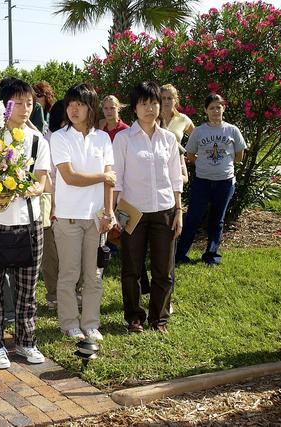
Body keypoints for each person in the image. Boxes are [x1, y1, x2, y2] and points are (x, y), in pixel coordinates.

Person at [0, 78, 50, 369]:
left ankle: (26, 342)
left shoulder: (38, 142)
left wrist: (25, 188)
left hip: (30, 224)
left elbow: (42, 181)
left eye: (29, 103)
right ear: (5, 106)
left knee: (27, 290)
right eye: (18, 102)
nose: (24, 108)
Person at [112, 82, 183, 334]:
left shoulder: (168, 139)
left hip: (164, 209)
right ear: (134, 108)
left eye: (153, 102)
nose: (150, 108)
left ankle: (159, 318)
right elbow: (116, 177)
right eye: (143, 103)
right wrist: (113, 213)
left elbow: (176, 177)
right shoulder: (123, 139)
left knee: (164, 270)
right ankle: (134, 316)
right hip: (133, 211)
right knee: (132, 269)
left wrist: (179, 211)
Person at [51, 84, 114, 341]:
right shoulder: (59, 137)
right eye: (70, 104)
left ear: (91, 106)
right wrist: (103, 176)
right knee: (69, 273)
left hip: (96, 218)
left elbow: (111, 181)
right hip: (69, 217)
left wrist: (108, 212)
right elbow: (70, 177)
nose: (74, 109)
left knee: (93, 275)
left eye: (80, 104)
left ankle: (90, 323)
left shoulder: (102, 138)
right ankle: (69, 323)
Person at [176, 93, 246, 266]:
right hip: (202, 182)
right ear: (206, 110)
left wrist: (223, 164)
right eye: (212, 107)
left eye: (218, 107)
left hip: (225, 182)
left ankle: (211, 256)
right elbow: (190, 154)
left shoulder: (232, 130)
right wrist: (204, 164)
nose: (215, 110)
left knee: (218, 220)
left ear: (223, 108)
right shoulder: (199, 131)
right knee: (193, 218)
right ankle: (180, 255)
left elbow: (239, 156)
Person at [41, 99, 65, 310]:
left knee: (69, 253)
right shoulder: (47, 141)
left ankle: (70, 291)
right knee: (51, 253)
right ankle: (53, 294)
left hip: (73, 203)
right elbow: (48, 177)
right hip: (52, 201)